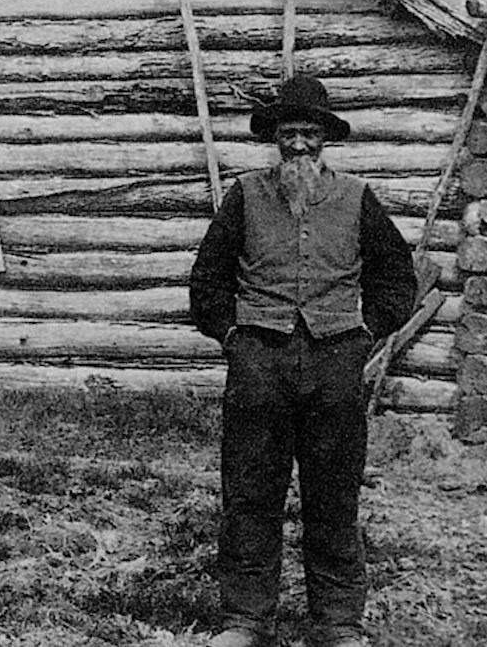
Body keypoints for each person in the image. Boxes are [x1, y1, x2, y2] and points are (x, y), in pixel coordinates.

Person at [189, 74, 417, 647]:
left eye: (308, 134)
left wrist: (366, 333)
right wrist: (233, 338)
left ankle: (338, 624)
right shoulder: (245, 195)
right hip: (259, 363)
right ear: (274, 139)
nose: (298, 145)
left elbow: (396, 278)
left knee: (334, 494)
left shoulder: (357, 198)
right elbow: (208, 280)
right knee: (249, 492)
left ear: (324, 140)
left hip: (335, 362)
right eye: (288, 134)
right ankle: (243, 620)